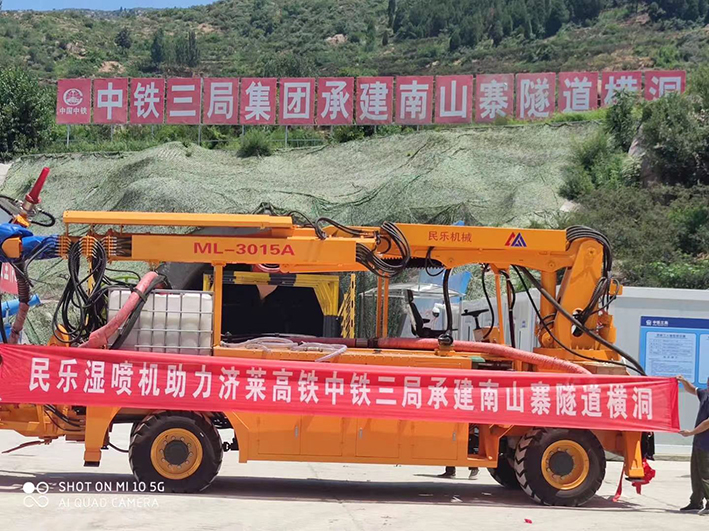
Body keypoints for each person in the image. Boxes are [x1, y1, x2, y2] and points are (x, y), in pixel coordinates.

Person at [676, 375, 709, 514]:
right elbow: (692, 389)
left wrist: (691, 432)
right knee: (696, 473)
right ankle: (696, 502)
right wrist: (684, 382)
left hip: (706, 444)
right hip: (699, 442)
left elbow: (707, 423)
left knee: (705, 474)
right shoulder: (705, 394)